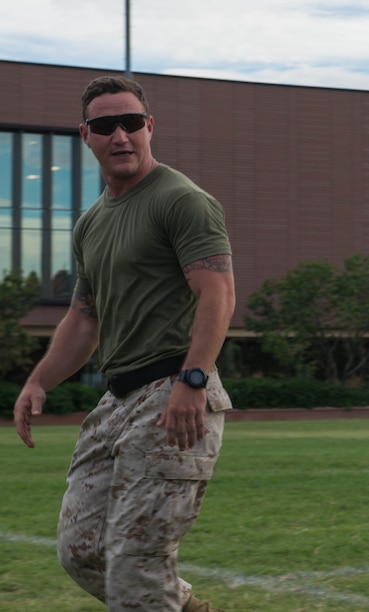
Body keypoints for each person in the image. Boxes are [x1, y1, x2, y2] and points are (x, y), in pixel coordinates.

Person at [13, 75, 235, 612]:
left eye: (131, 123)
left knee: (137, 561)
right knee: (80, 551)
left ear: (149, 127)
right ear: (85, 135)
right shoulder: (91, 223)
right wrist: (38, 380)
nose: (121, 136)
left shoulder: (182, 201)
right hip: (116, 401)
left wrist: (194, 379)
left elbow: (218, 294)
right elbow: (84, 320)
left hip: (174, 394)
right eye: (106, 125)